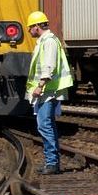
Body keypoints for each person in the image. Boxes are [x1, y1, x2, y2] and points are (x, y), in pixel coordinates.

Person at [25, 11, 74, 175]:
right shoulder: (44, 41)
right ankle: (51, 162)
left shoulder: (49, 42)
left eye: (30, 27)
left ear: (37, 26)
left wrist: (40, 85)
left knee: (44, 125)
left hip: (48, 91)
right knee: (47, 125)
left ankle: (52, 163)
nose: (29, 31)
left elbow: (49, 66)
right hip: (47, 91)